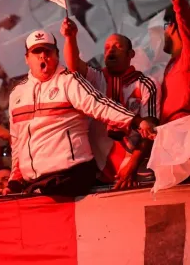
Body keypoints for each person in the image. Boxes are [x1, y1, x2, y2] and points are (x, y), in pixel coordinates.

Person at [0, 29, 157, 198]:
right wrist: (15, 182)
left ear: (57, 55)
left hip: (69, 177)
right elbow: (18, 143)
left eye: (48, 51)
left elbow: (99, 104)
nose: (43, 56)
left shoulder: (69, 81)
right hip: (35, 183)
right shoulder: (17, 94)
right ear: (27, 59)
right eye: (37, 52)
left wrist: (136, 121)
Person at [62, 18, 160, 189]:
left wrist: (132, 167)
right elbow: (73, 66)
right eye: (107, 48)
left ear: (131, 54)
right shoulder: (97, 78)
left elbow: (151, 131)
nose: (111, 51)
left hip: (134, 173)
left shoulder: (146, 84)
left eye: (118, 46)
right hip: (99, 173)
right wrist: (70, 38)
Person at [161, 0, 190, 124]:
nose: (163, 33)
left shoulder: (187, 55)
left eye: (165, 27)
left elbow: (185, 22)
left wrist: (179, 1)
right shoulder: (170, 66)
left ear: (172, 26)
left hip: (183, 128)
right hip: (168, 133)